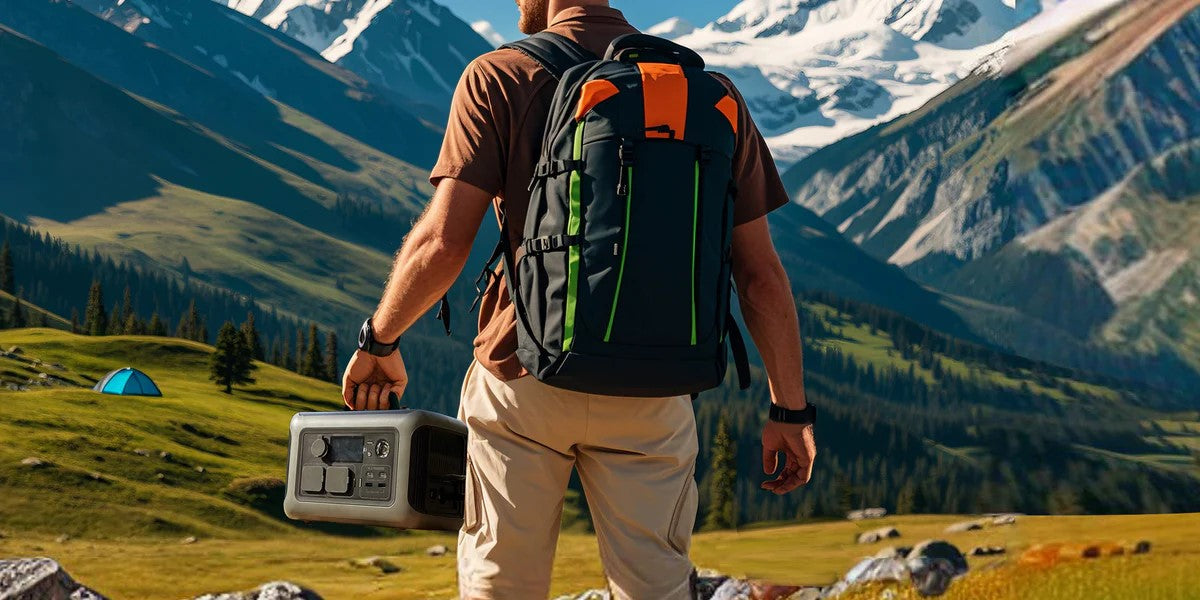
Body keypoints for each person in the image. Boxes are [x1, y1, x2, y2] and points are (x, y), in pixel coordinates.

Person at [341, 1, 816, 598]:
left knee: (500, 581)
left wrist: (379, 339)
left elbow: (442, 242)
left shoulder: (499, 76)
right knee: (656, 585)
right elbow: (761, 277)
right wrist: (790, 412)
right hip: (656, 387)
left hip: (523, 374)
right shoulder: (709, 95)